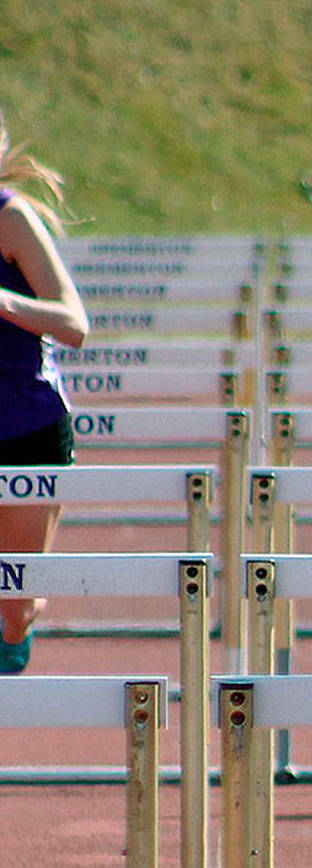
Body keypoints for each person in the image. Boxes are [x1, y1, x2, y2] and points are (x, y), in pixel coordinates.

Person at [0, 111, 88, 674]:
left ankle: (17, 625)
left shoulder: (12, 219)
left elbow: (74, 323)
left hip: (25, 425)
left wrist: (4, 304)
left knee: (14, 602)